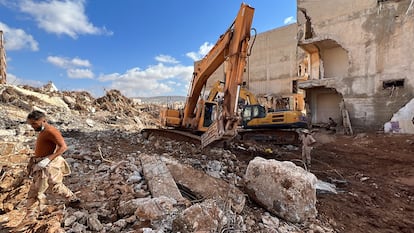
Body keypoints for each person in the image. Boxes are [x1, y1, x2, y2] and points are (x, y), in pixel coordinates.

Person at [23, 110, 79, 222]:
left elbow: (63, 147)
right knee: (36, 190)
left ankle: (73, 199)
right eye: (31, 124)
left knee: (50, 187)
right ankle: (30, 217)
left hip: (47, 164)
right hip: (41, 163)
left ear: (43, 120)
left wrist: (48, 159)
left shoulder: (51, 131)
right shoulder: (43, 131)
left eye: (34, 123)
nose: (32, 127)